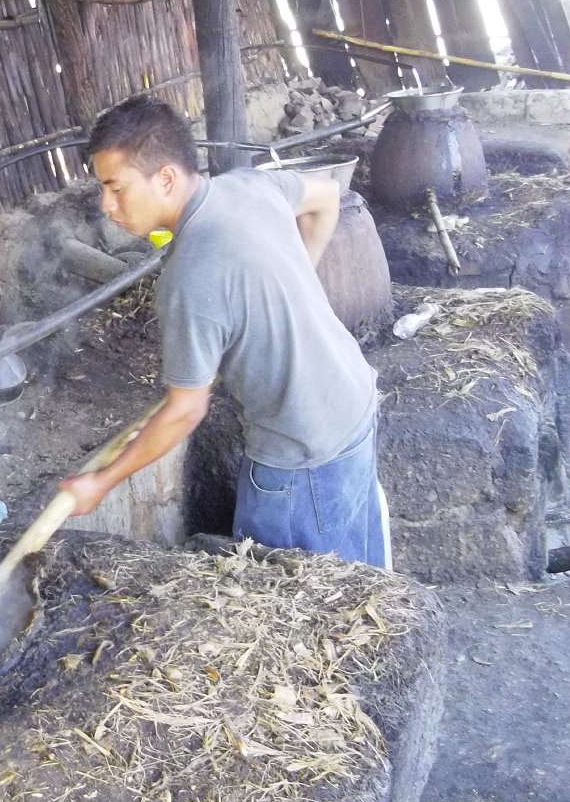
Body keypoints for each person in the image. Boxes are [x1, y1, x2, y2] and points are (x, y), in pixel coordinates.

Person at [57, 93, 387, 567]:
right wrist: (299, 284)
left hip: (300, 459)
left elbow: (185, 411)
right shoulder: (247, 186)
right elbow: (327, 198)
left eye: (117, 187)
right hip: (353, 404)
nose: (107, 205)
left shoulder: (188, 277)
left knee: (288, 613)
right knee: (361, 586)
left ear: (166, 178)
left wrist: (100, 481)